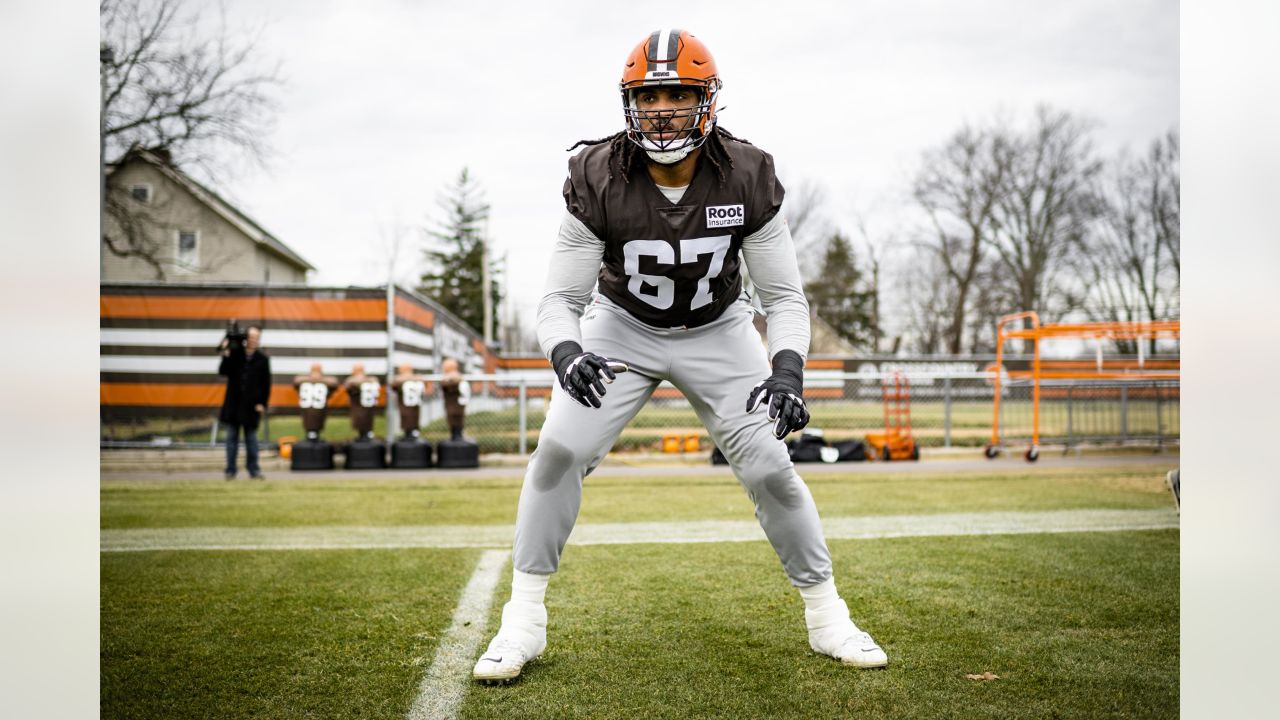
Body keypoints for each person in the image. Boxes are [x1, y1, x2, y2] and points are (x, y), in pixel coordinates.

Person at [473, 29, 887, 684]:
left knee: (771, 469)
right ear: (628, 104)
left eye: (677, 94)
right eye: (650, 96)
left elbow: (783, 297)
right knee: (556, 451)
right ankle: (522, 620)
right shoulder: (598, 173)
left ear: (707, 101)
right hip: (621, 328)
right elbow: (558, 299)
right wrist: (567, 352)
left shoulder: (747, 173)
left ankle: (826, 615)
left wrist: (786, 368)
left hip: (718, 328)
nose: (662, 109)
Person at [218, 324, 271, 480]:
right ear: (245, 338)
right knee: (231, 439)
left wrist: (262, 403)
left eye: (257, 337)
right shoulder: (236, 355)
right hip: (233, 404)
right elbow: (223, 371)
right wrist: (226, 353)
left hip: (251, 406)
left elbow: (266, 383)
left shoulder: (262, 359)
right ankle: (230, 470)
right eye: (251, 337)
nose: (254, 340)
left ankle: (253, 470)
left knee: (252, 440)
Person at [439, 357, 471, 441]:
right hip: (456, 404)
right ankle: (456, 434)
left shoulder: (453, 377)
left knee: (455, 419)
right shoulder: (458, 377)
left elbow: (446, 384)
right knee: (456, 419)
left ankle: (457, 435)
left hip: (455, 404)